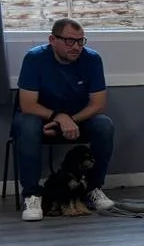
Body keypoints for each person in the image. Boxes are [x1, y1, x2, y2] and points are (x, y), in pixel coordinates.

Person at [16, 17, 117, 220]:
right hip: (41, 118)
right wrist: (58, 117)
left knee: (104, 125)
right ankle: (32, 195)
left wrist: (69, 119)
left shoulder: (92, 59)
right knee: (26, 125)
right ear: (53, 40)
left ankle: (92, 188)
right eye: (70, 41)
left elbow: (97, 104)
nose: (76, 47)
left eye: (81, 41)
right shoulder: (34, 58)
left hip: (77, 119)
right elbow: (27, 104)